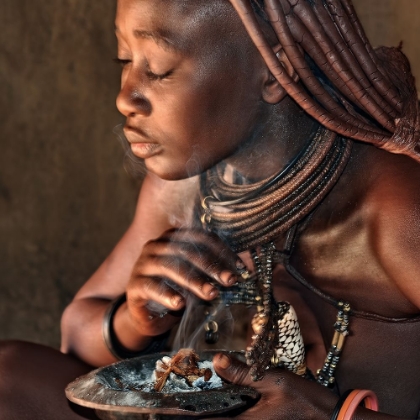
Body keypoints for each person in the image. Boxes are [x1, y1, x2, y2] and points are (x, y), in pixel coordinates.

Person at [1, 0, 420, 419]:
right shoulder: (184, 187)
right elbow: (76, 336)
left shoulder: (396, 209)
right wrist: (134, 318)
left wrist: (330, 414)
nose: (125, 98)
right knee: (10, 374)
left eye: (159, 68)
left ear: (276, 73)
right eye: (125, 59)